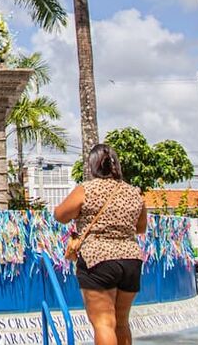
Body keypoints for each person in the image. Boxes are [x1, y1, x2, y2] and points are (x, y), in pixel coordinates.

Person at [54, 144, 147, 345]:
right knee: (122, 322)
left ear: (93, 165)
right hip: (131, 259)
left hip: (97, 258)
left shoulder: (86, 190)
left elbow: (60, 215)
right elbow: (141, 227)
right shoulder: (133, 192)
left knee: (104, 323)